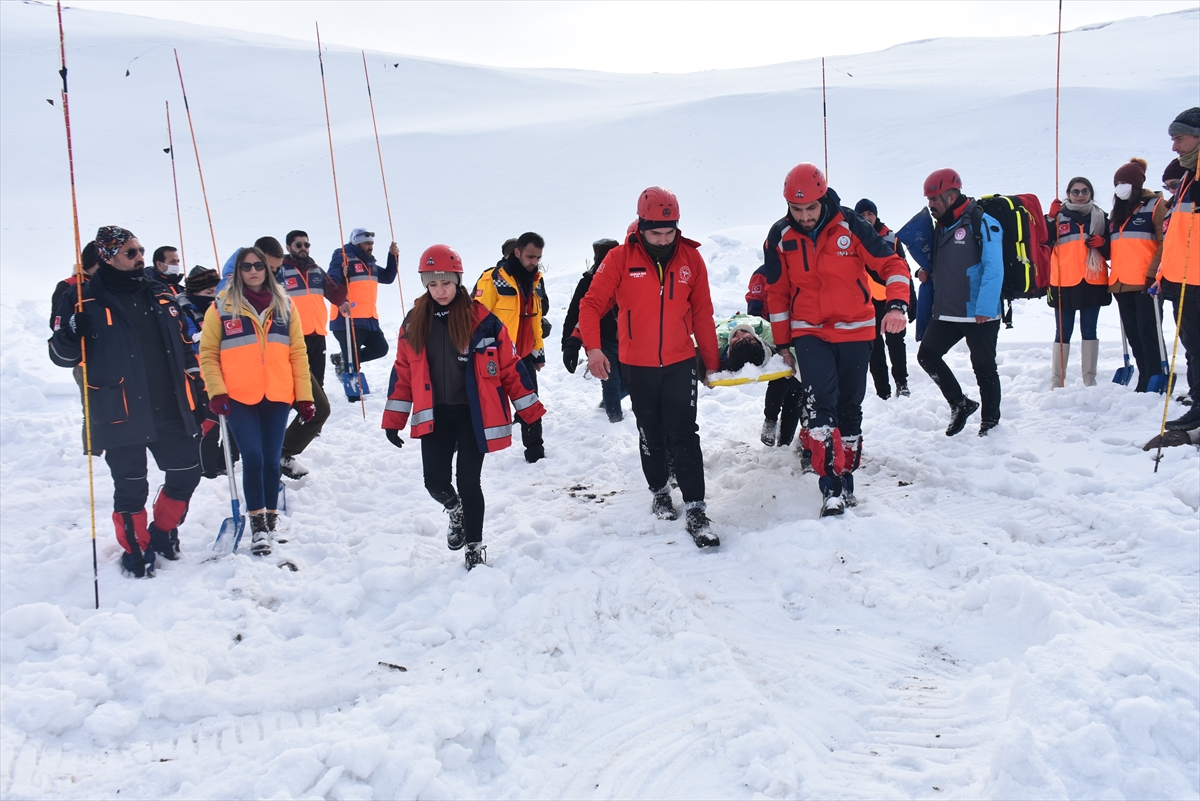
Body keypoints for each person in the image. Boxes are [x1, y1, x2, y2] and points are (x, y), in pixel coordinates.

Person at [48, 226, 205, 578]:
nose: (140, 258)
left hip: (170, 405)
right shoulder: (82, 298)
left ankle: (164, 532)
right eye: (131, 252)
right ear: (107, 256)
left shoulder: (160, 293)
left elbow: (183, 347)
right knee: (131, 489)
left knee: (187, 474)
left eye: (140, 251)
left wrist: (199, 389)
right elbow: (60, 355)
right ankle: (137, 550)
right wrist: (71, 331)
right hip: (119, 411)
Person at [382, 245, 545, 570]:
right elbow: (402, 373)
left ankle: (474, 545)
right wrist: (393, 419)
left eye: (446, 283)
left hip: (474, 416)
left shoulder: (482, 321)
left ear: (458, 281)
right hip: (436, 416)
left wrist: (529, 413)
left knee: (470, 482)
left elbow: (511, 368)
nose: (440, 290)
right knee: (435, 482)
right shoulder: (414, 323)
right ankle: (454, 509)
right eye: (433, 284)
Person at [764, 164, 909, 517]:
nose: (805, 216)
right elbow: (778, 294)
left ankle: (847, 480)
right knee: (820, 407)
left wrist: (897, 304)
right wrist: (783, 346)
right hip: (810, 331)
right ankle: (829, 486)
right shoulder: (779, 236)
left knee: (849, 407)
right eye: (796, 210)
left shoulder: (850, 224)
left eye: (811, 208)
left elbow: (891, 264)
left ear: (823, 198)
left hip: (856, 329)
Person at [579, 187, 721, 546]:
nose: (662, 239)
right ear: (641, 226)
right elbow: (592, 304)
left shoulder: (691, 259)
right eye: (655, 233)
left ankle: (696, 508)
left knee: (685, 434)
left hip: (679, 362)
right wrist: (594, 349)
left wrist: (712, 363)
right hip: (637, 364)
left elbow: (703, 314)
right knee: (651, 433)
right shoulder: (619, 259)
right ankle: (659, 489)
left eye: (669, 232)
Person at [199, 246, 314, 556]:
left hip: (276, 395)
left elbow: (297, 353)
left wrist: (304, 396)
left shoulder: (286, 305)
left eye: (258, 265)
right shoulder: (221, 307)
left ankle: (271, 518)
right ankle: (258, 526)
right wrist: (217, 391)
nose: (252, 271)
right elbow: (207, 353)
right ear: (237, 272)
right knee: (252, 457)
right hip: (238, 397)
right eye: (246, 266)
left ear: (267, 269)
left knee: (269, 457)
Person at [914, 169, 1004, 437]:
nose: (930, 205)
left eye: (934, 199)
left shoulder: (982, 222)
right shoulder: (941, 226)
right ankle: (960, 403)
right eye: (928, 199)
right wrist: (926, 273)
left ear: (952, 196)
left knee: (984, 367)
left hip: (979, 312)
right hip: (947, 311)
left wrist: (986, 308)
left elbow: (993, 268)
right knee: (927, 356)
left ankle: (990, 423)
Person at [473, 231, 549, 462]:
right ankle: (466, 447)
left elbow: (535, 319)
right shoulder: (492, 280)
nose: (534, 263)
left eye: (538, 258)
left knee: (531, 404)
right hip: (495, 357)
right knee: (483, 406)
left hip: (523, 356)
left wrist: (538, 351)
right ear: (517, 253)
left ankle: (535, 453)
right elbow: (475, 320)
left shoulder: (536, 281)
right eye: (530, 257)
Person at [267, 231, 338, 479]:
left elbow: (335, 291)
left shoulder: (316, 270)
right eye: (299, 244)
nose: (304, 247)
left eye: (307, 243)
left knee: (317, 400)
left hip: (313, 336)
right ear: (289, 247)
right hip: (279, 352)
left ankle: (282, 451)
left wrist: (345, 291)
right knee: (279, 406)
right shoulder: (281, 273)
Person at [1154, 107, 1200, 430]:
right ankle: (1198, 404)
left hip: (1195, 279)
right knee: (1193, 349)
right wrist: (1162, 276)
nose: (1174, 147)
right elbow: (1176, 233)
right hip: (1182, 279)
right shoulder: (1186, 175)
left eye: (1179, 139)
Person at [1108, 158, 1168, 393]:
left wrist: (1153, 275)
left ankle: (1155, 375)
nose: (1121, 186)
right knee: (1134, 334)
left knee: (1148, 332)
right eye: (1118, 182)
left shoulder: (1155, 206)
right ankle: (1145, 375)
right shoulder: (1117, 213)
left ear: (1136, 184)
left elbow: (1164, 243)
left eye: (1126, 182)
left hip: (1146, 282)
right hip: (1121, 284)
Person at [1046, 176, 1111, 388]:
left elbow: (1111, 250)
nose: (1080, 195)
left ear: (1091, 193)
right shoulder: (1058, 217)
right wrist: (1049, 218)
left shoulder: (1101, 217)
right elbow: (1043, 243)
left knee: (1089, 330)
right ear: (1068, 194)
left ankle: (1089, 379)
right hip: (1063, 282)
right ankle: (1057, 381)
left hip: (1092, 281)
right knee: (1062, 332)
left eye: (1085, 191)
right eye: (1075, 191)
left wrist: (1103, 243)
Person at [716, 313, 807, 450]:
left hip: (780, 338)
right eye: (737, 338)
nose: (740, 333)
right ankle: (771, 420)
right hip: (774, 331)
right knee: (780, 383)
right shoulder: (726, 345)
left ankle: (788, 441)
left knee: (795, 391)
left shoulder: (766, 333)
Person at [175, 265, 233, 479]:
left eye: (215, 291)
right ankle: (206, 470)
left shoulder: (222, 306)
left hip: (226, 374)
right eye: (209, 292)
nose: (213, 296)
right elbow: (189, 341)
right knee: (209, 427)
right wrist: (209, 334)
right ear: (196, 291)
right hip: (200, 377)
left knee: (232, 427)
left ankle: (225, 462)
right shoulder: (184, 310)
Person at [328, 228, 398, 401]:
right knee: (352, 362)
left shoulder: (371, 264)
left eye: (372, 243)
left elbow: (388, 277)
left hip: (368, 319)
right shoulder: (343, 257)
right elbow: (331, 280)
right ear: (357, 243)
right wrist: (341, 279)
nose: (370, 247)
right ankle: (354, 399)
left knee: (380, 349)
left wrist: (393, 256)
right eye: (367, 243)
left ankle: (342, 360)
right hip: (347, 318)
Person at [855, 198, 916, 399]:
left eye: (869, 214)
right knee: (874, 348)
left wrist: (910, 300)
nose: (866, 218)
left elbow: (903, 270)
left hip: (891, 301)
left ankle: (902, 383)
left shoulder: (891, 238)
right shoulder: (852, 237)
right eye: (862, 215)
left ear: (876, 215)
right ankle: (883, 392)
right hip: (866, 302)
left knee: (896, 343)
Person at [562, 238, 627, 423]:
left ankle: (609, 404)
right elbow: (576, 313)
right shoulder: (588, 282)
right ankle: (615, 419)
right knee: (611, 382)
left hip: (626, 339)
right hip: (601, 341)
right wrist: (569, 342)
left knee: (630, 384)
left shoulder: (627, 278)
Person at [50, 240, 100, 400]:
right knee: (93, 414)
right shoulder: (69, 286)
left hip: (114, 357)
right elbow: (56, 324)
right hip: (85, 361)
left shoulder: (108, 285)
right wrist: (77, 324)